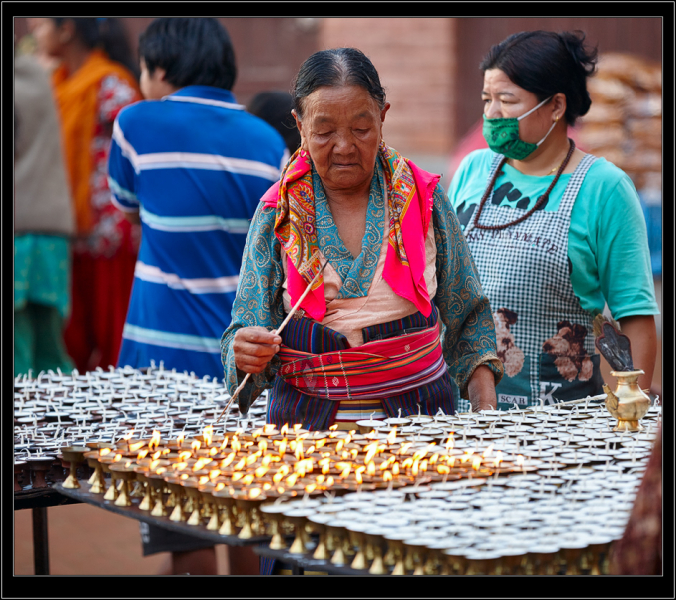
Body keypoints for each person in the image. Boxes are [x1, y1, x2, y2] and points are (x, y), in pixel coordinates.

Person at [221, 46, 503, 575]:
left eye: (362, 127)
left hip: (421, 430)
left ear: (384, 117)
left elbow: (468, 315)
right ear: (298, 123)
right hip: (306, 441)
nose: (344, 146)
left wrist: (483, 422)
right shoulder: (275, 213)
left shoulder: (421, 198)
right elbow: (243, 329)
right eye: (324, 130)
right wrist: (245, 350)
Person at [107, 17, 288, 575]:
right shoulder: (267, 140)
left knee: (182, 531)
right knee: (243, 518)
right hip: (243, 362)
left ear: (160, 68)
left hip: (159, 364)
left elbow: (125, 201)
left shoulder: (136, 123)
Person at [447, 30, 659, 411]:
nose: (491, 114)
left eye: (507, 100)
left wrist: (630, 413)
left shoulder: (604, 188)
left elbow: (635, 317)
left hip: (558, 421)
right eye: (486, 99)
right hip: (463, 411)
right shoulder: (473, 170)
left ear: (556, 105)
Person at [30, 17, 142, 373]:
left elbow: (135, 151)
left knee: (112, 339)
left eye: (40, 25)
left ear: (67, 29)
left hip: (108, 234)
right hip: (66, 230)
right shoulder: (53, 83)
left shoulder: (111, 84)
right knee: (71, 343)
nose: (34, 33)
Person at [14, 49, 75, 376]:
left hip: (18, 235)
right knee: (50, 348)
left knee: (16, 350)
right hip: (50, 234)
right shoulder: (36, 76)